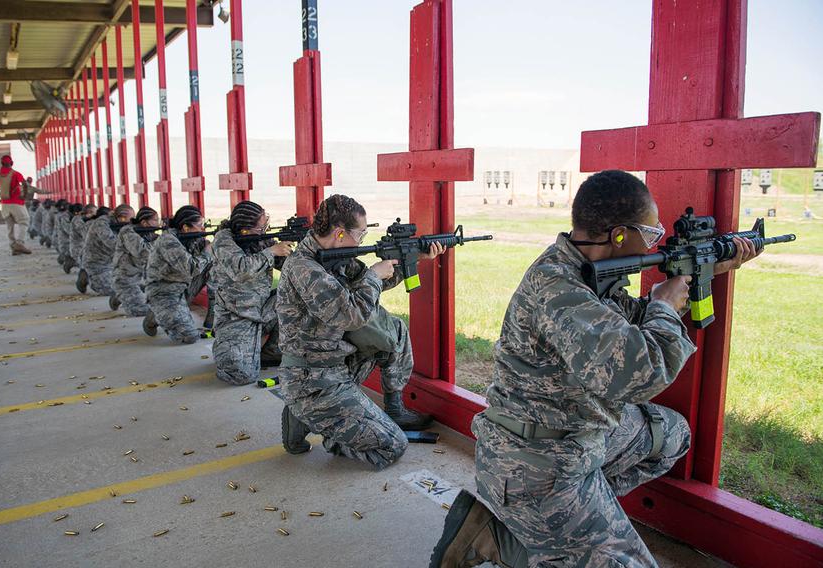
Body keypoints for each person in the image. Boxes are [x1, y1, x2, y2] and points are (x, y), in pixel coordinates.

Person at [429, 170, 761, 568]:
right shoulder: (559, 287)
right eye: (651, 234)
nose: (656, 242)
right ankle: (502, 538)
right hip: (534, 464)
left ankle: (572, 525)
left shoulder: (586, 270)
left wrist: (692, 281)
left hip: (574, 434)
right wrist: (663, 306)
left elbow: (621, 326)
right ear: (620, 236)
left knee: (670, 434)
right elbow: (635, 376)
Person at [275, 194, 444, 469]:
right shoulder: (304, 267)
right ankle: (318, 421)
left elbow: (366, 287)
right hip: (313, 379)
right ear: (340, 233)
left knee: (392, 332)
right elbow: (350, 314)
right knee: (393, 446)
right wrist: (374, 275)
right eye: (361, 234)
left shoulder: (333, 257)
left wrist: (411, 259)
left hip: (337, 364)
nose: (362, 240)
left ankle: (375, 410)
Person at [209, 201, 292, 385]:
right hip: (236, 316)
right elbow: (240, 269)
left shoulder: (259, 239)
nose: (264, 232)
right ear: (244, 230)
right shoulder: (223, 241)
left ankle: (270, 352)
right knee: (241, 375)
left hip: (262, 310)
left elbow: (286, 266)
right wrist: (271, 252)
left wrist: (295, 253)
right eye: (260, 228)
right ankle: (231, 351)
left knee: (295, 295)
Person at [142, 205, 213, 344]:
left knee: (213, 266)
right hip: (163, 292)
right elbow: (191, 268)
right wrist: (207, 252)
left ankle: (212, 313)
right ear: (186, 227)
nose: (203, 229)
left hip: (183, 287)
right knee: (189, 337)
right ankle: (154, 316)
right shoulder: (168, 241)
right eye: (200, 225)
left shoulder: (191, 238)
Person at [111, 206, 160, 316]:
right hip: (125, 280)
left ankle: (120, 296)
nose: (158, 223)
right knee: (142, 311)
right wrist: (162, 240)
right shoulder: (128, 232)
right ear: (144, 223)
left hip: (140, 278)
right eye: (155, 220)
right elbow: (144, 252)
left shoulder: (148, 233)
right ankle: (121, 294)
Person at [0, 154, 31, 255]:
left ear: (2, 163)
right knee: (24, 221)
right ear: (11, 163)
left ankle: (13, 248)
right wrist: (24, 196)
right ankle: (19, 243)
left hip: (4, 205)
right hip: (17, 203)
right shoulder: (15, 173)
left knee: (10, 226)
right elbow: (25, 184)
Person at [82, 204, 132, 296]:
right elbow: (112, 243)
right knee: (112, 291)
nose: (132, 222)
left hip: (111, 263)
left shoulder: (117, 222)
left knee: (130, 285)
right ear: (122, 218)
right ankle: (86, 276)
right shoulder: (102, 223)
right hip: (96, 264)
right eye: (131, 219)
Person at [71, 203, 97, 292]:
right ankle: (85, 275)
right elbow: (86, 234)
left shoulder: (87, 220)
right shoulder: (79, 220)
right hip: (80, 250)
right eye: (94, 213)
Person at [56, 203, 81, 274]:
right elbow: (69, 230)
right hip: (66, 242)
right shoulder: (64, 217)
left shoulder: (73, 217)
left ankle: (69, 259)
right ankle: (68, 260)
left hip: (73, 241)